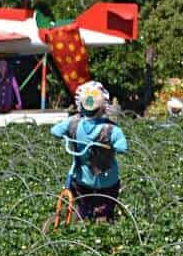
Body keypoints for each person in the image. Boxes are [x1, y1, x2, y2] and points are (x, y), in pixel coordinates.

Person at [49, 81, 127, 223]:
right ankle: (102, 220)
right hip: (107, 182)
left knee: (83, 207)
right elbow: (122, 148)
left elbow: (55, 131)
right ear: (103, 106)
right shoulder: (112, 129)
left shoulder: (73, 122)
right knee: (104, 211)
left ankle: (84, 218)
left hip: (81, 180)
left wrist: (69, 137)